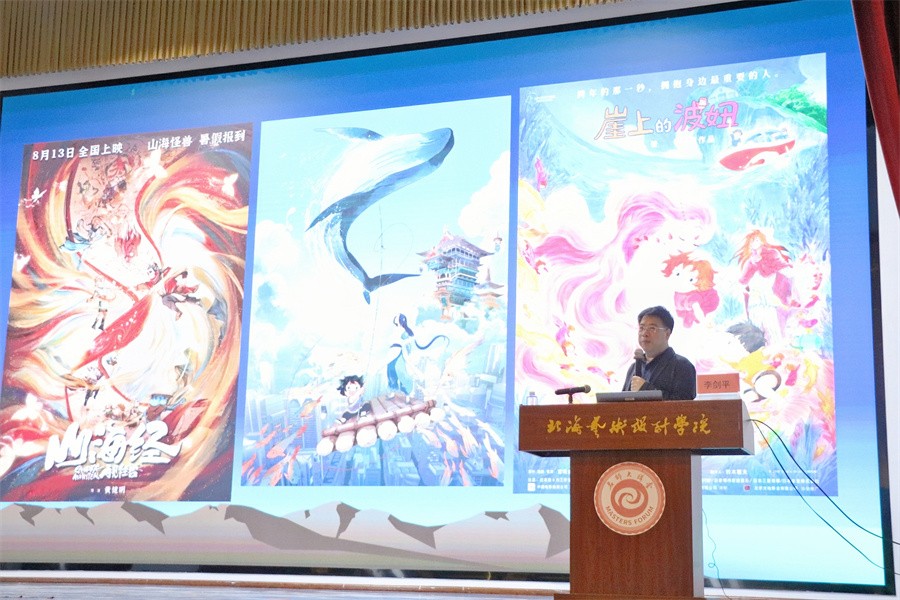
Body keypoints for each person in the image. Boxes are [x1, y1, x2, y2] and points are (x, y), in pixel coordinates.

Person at [622, 305, 696, 400]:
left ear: (667, 333)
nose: (644, 333)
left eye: (652, 328)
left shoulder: (682, 366)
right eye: (641, 328)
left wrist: (646, 389)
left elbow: (685, 404)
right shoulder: (634, 367)